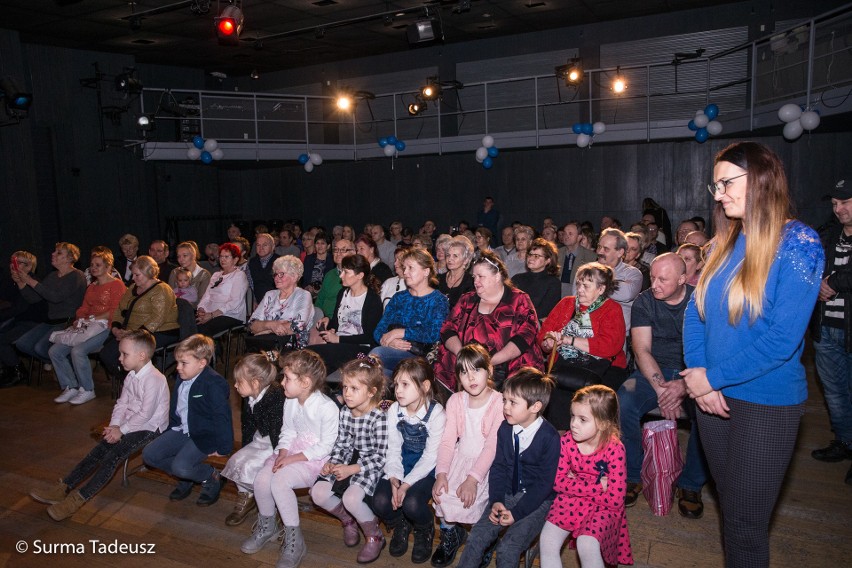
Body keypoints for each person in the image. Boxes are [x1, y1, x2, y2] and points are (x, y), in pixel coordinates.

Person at [682, 141, 824, 568]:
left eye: (726, 182)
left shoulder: (799, 242)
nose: (719, 193)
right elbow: (695, 315)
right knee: (734, 513)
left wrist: (711, 378)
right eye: (716, 185)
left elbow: (782, 340)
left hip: (766, 401)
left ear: (760, 179)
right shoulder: (723, 243)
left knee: (745, 525)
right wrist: (700, 375)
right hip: (712, 398)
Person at [29, 330, 169, 521]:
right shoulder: (131, 376)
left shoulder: (154, 379)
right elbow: (121, 404)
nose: (119, 358)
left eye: (124, 354)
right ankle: (64, 488)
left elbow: (146, 415)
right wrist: (114, 426)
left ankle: (77, 500)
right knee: (98, 451)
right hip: (130, 423)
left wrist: (122, 430)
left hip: (151, 427)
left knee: (113, 456)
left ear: (141, 355)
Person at [617, 254, 708, 518]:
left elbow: (710, 351)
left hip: (692, 371)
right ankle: (632, 474)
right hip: (651, 371)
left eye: (663, 279)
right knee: (623, 402)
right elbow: (642, 349)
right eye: (652, 277)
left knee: (707, 411)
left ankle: (690, 484)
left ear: (682, 279)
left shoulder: (700, 300)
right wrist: (662, 390)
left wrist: (683, 385)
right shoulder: (644, 301)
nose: (654, 284)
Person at [242, 350, 339, 563]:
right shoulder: (291, 401)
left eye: (287, 378)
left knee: (279, 482)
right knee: (261, 479)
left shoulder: (327, 408)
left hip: (315, 460)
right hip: (292, 452)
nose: (282, 382)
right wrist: (283, 452)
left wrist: (292, 459)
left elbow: (325, 446)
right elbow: (288, 431)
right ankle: (267, 526)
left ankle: (295, 540)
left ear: (305, 382)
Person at [457, 368, 559, 568]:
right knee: (477, 536)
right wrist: (496, 500)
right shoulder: (505, 429)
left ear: (535, 406)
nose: (506, 407)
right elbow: (499, 468)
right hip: (505, 495)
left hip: (536, 501)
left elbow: (544, 485)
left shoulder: (550, 438)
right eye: (504, 400)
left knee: (508, 548)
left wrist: (517, 513)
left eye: (513, 402)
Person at [538, 385, 633, 568]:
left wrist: (574, 483)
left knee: (587, 545)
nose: (573, 423)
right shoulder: (566, 441)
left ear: (603, 424)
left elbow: (615, 500)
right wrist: (597, 487)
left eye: (583, 419)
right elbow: (558, 482)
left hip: (602, 509)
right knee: (547, 541)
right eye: (573, 416)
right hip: (570, 501)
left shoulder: (615, 449)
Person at [431, 344, 504, 568]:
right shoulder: (455, 401)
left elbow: (492, 446)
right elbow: (447, 441)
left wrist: (472, 479)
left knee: (477, 505)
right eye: (464, 372)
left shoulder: (499, 402)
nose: (470, 377)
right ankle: (452, 536)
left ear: (489, 371)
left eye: (477, 370)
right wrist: (441, 473)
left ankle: (483, 543)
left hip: (485, 464)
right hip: (459, 458)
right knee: (442, 495)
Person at [310, 356, 389, 564]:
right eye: (345, 387)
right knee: (317, 493)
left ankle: (374, 535)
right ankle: (348, 521)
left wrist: (352, 469)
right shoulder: (345, 412)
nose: (347, 393)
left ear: (371, 392)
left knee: (351, 498)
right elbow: (342, 444)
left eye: (354, 388)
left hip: (371, 465)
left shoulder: (379, 416)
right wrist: (333, 463)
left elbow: (381, 456)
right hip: (350, 459)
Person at [142, 334, 233, 506]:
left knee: (181, 466)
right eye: (177, 362)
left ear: (201, 363)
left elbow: (222, 418)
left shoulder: (213, 383)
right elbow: (178, 408)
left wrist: (224, 448)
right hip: (184, 429)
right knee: (149, 455)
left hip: (205, 435)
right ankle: (186, 477)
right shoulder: (183, 377)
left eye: (183, 363)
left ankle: (210, 476)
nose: (178, 368)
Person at [432, 251, 542, 393]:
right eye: (474, 277)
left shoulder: (518, 300)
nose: (475, 282)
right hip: (467, 364)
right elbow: (447, 328)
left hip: (507, 367)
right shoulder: (467, 299)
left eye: (481, 277)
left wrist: (487, 362)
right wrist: (464, 357)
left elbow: (526, 335)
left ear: (497, 277)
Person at [372, 358, 447, 564]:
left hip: (427, 467)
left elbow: (431, 457)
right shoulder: (395, 410)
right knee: (379, 501)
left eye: (405, 384)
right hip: (403, 461)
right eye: (396, 384)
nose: (398, 390)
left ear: (424, 386)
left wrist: (406, 485)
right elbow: (394, 447)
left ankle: (424, 529)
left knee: (412, 503)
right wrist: (395, 478)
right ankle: (401, 523)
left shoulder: (436, 413)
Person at [539, 262, 627, 430]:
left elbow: (610, 346)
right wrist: (548, 342)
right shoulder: (566, 303)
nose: (579, 289)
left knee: (591, 402)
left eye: (586, 286)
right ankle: (560, 442)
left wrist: (569, 340)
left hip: (603, 368)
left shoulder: (612, 309)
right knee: (554, 396)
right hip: (565, 366)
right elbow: (544, 333)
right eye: (578, 284)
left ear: (601, 289)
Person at [810, 176, 852, 485]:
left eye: (845, 202)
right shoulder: (829, 234)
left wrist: (833, 283)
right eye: (836, 204)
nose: (839, 209)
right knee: (835, 393)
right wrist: (817, 283)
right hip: (826, 327)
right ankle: (845, 442)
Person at [48, 247, 125, 405]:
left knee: (78, 351)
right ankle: (70, 386)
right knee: (54, 351)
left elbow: (115, 311)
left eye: (98, 265)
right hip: (89, 325)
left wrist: (92, 318)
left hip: (106, 327)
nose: (94, 268)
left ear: (108, 267)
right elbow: (83, 308)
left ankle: (87, 389)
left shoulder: (117, 285)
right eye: (92, 265)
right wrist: (79, 319)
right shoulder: (92, 287)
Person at [221, 352, 285, 527]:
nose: (235, 385)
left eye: (238, 382)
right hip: (261, 437)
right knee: (237, 460)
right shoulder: (250, 395)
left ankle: (272, 505)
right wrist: (245, 448)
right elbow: (247, 425)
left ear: (255, 383)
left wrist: (277, 456)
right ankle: (247, 497)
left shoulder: (275, 396)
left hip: (277, 442)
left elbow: (278, 430)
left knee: (253, 466)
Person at [371, 248, 449, 377]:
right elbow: (378, 330)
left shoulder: (438, 300)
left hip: (421, 357)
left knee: (377, 356)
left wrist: (401, 332)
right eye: (404, 267)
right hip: (393, 353)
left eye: (410, 268)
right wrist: (389, 342)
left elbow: (435, 333)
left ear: (426, 271)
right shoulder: (399, 297)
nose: (405, 272)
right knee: (375, 372)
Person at [98, 255, 179, 379]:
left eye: (137, 275)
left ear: (149, 273)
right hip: (131, 332)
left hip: (160, 331)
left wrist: (132, 334)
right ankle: (130, 380)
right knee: (106, 354)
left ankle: (137, 383)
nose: (133, 278)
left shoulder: (162, 289)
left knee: (131, 354)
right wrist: (116, 328)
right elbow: (120, 309)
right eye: (133, 274)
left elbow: (157, 319)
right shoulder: (132, 288)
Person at [13, 242, 87, 364]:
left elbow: (55, 297)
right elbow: (34, 299)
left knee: (41, 348)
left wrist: (30, 281)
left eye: (58, 252)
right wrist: (21, 283)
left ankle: (70, 363)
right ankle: (60, 363)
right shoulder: (52, 276)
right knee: (23, 344)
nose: (53, 254)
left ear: (69, 258)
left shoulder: (77, 275)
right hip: (51, 322)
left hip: (68, 321)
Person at [309, 254, 383, 374]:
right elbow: (338, 324)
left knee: (316, 358)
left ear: (360, 275)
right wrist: (329, 322)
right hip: (339, 345)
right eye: (342, 271)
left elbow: (370, 336)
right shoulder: (342, 293)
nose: (341, 275)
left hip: (360, 349)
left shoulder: (372, 300)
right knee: (309, 355)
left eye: (346, 272)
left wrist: (338, 338)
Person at [246, 255, 314, 353]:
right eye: (275, 274)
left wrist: (267, 329)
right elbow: (252, 325)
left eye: (281, 274)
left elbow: (298, 326)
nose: (277, 278)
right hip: (264, 346)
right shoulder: (270, 295)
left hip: (292, 348)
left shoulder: (303, 295)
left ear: (294, 276)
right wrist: (271, 325)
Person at [0, 251, 46, 387]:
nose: (14, 265)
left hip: (34, 322)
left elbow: (20, 308)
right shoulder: (10, 281)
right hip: (18, 320)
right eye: (13, 262)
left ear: (28, 267)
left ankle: (18, 371)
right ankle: (8, 370)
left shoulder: (33, 283)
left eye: (19, 263)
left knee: (2, 341)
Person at [593, 228, 643, 331]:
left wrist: (593, 284)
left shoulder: (632, 273)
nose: (600, 251)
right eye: (599, 247)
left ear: (620, 252)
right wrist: (618, 284)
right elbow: (579, 298)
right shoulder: (587, 270)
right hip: (590, 331)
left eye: (606, 249)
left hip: (618, 334)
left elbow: (627, 294)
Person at [196, 243, 249, 336]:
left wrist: (212, 315)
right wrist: (201, 309)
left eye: (226, 257)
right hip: (210, 312)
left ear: (235, 259)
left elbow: (234, 303)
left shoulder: (239, 275)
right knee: (190, 324)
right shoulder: (216, 275)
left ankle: (212, 350)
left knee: (203, 328)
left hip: (230, 315)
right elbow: (206, 296)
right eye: (221, 256)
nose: (222, 259)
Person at [513, 238, 561, 320]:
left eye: (536, 256)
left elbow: (545, 312)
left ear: (547, 260)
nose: (531, 258)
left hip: (535, 325)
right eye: (530, 254)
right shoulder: (517, 278)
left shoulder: (553, 283)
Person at [315, 238, 356, 319]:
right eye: (336, 250)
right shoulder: (329, 274)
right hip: (322, 319)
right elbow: (320, 300)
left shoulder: (356, 277)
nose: (338, 253)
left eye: (343, 250)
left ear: (353, 253)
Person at [557, 222, 597, 298]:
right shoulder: (557, 253)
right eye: (565, 233)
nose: (566, 236)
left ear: (579, 237)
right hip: (558, 294)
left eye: (570, 234)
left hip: (578, 294)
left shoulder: (590, 257)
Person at [437, 235, 475, 310]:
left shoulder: (471, 283)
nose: (450, 259)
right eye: (448, 255)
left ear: (466, 260)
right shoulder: (438, 279)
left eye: (455, 256)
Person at [247, 233, 279, 305]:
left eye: (265, 245)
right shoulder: (252, 262)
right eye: (258, 245)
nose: (261, 248)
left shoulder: (280, 261)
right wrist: (254, 301)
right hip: (259, 303)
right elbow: (252, 285)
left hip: (278, 303)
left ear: (273, 247)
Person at [301, 231, 334, 298]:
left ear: (328, 246)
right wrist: (307, 287)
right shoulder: (309, 259)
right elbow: (304, 279)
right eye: (317, 243)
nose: (319, 246)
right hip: (309, 293)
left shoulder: (333, 260)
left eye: (323, 243)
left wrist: (321, 289)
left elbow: (332, 282)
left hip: (326, 293)